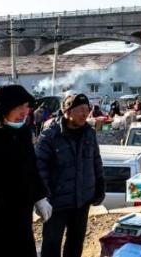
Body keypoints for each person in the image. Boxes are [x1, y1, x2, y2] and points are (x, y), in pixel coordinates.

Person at [0, 85, 51, 257]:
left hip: (20, 223)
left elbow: (31, 169)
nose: (25, 112)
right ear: (1, 108)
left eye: (27, 106)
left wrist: (40, 197)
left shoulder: (22, 134)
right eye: (18, 107)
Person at [36, 93, 105, 257]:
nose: (84, 114)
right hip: (56, 202)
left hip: (82, 200)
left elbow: (96, 160)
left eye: (86, 109)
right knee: (51, 245)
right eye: (80, 110)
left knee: (75, 243)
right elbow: (40, 167)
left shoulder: (89, 132)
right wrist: (43, 196)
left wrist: (100, 184)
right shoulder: (50, 135)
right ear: (67, 111)